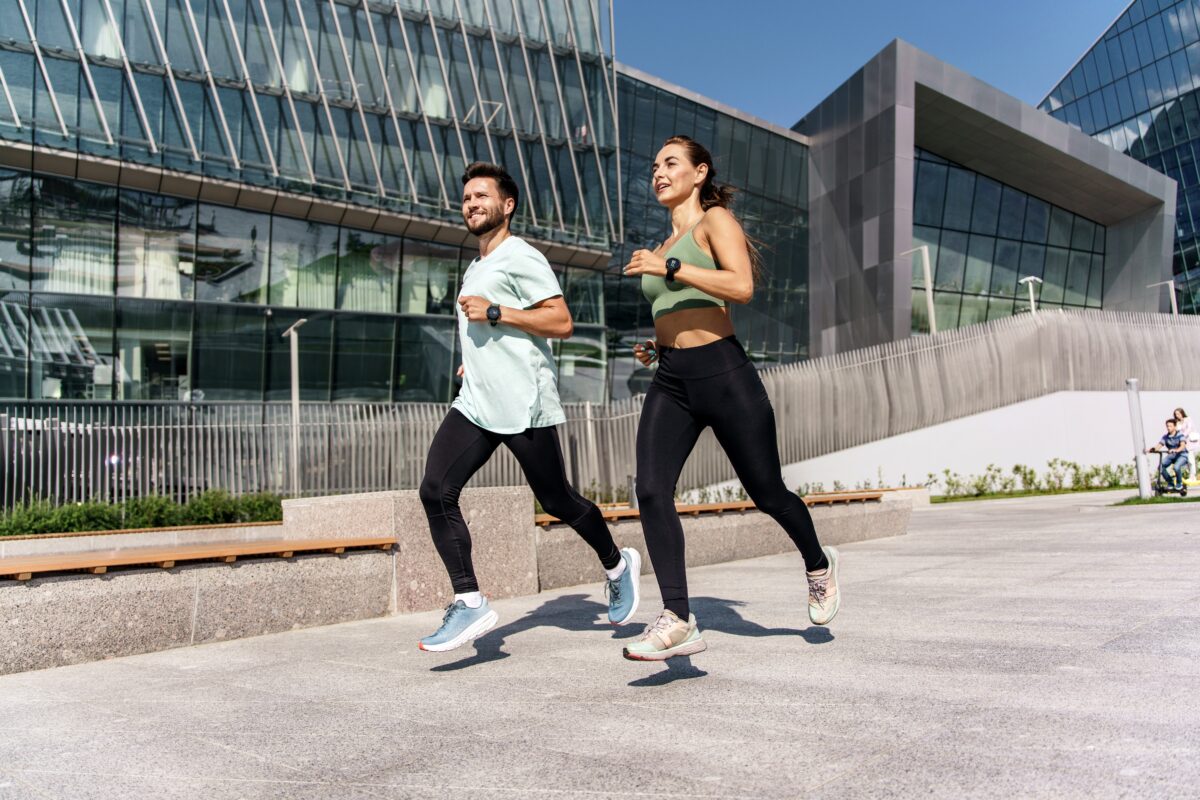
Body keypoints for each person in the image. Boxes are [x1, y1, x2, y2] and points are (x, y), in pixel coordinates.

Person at [619, 135, 839, 661]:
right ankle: (677, 617)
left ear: (699, 173)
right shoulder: (662, 246)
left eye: (670, 162)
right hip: (672, 377)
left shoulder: (713, 222)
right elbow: (683, 307)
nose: (658, 171)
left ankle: (818, 563)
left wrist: (666, 268)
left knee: (767, 492)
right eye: (654, 164)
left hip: (725, 374)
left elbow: (740, 287)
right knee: (650, 489)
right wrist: (658, 343)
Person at [417, 162, 640, 652]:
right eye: (467, 198)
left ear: (507, 205)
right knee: (435, 490)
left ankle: (618, 564)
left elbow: (560, 322)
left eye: (482, 196)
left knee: (558, 500)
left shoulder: (523, 256)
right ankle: (470, 601)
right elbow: (488, 336)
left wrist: (496, 312)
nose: (472, 204)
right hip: (477, 402)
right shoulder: (476, 266)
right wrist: (472, 362)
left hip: (523, 403)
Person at [1148, 417, 1189, 492]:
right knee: (1160, 467)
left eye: (1170, 426)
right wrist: (1152, 449)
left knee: (1176, 467)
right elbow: (1159, 445)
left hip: (1182, 455)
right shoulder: (1165, 437)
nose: (1168, 428)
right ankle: (1170, 482)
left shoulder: (1180, 435)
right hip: (1172, 456)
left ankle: (1179, 483)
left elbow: (1182, 445)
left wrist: (1176, 450)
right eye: (1167, 426)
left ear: (1175, 426)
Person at [1173, 407, 1198, 477]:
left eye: (1178, 414)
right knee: (1184, 460)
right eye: (1176, 414)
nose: (1177, 415)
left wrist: (1182, 436)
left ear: (1182, 413)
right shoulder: (1177, 423)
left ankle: (1193, 475)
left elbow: (1189, 429)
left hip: (1189, 443)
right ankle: (1186, 474)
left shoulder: (1188, 419)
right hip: (1181, 444)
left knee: (1191, 459)